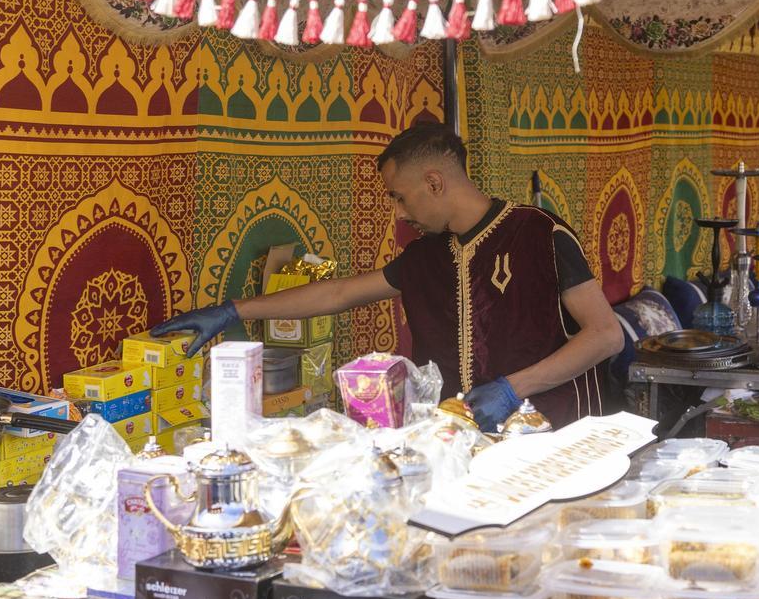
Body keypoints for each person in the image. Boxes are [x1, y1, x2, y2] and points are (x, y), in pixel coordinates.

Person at [152, 122, 625, 431]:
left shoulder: (539, 233)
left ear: (434, 183)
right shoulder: (425, 257)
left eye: (400, 197)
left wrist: (513, 387)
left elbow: (605, 336)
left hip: (555, 439)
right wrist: (234, 310)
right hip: (462, 445)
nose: (399, 214)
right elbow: (337, 293)